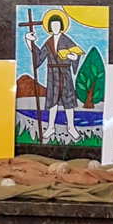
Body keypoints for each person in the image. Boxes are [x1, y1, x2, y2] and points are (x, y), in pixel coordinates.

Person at [25, 11, 82, 142]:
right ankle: (50, 127)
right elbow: (39, 56)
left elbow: (76, 54)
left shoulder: (66, 40)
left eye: (57, 25)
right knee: (52, 101)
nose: (55, 28)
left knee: (68, 101)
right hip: (52, 74)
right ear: (50, 27)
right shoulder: (49, 42)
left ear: (61, 26)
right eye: (53, 26)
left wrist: (72, 56)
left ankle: (71, 127)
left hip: (65, 73)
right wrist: (29, 41)